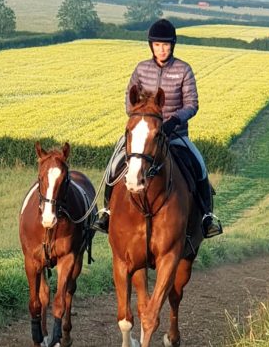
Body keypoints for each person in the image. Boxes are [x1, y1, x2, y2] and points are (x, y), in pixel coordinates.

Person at [91, 18, 223, 238]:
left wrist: (173, 121)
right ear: (151, 46)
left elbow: (192, 103)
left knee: (199, 166)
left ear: (173, 45)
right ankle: (106, 212)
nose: (162, 49)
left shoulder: (183, 69)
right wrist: (139, 118)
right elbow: (129, 98)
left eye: (166, 45)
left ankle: (207, 217)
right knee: (114, 164)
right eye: (158, 45)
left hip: (174, 135)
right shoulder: (141, 69)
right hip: (144, 134)